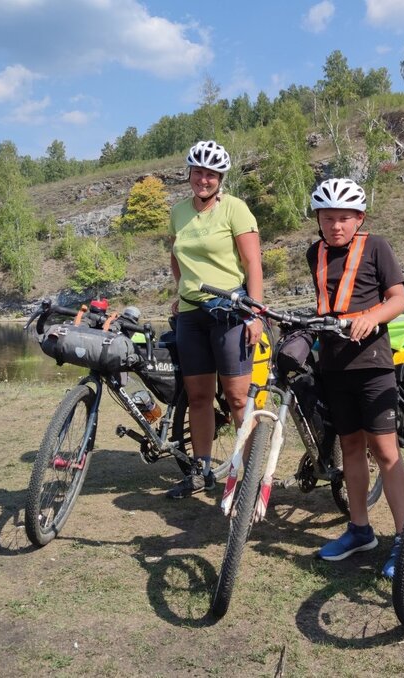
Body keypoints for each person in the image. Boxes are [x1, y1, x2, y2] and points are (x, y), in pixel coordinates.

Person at [306, 178, 404, 579]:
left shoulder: (377, 246)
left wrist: (372, 317)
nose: (335, 225)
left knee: (385, 451)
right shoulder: (312, 252)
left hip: (373, 364)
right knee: (349, 447)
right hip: (333, 366)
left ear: (359, 218)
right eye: (328, 218)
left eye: (344, 218)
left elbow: (398, 298)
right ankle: (359, 529)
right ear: (318, 219)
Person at [166, 140, 264, 499]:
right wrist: (180, 292)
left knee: (239, 398)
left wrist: (254, 312)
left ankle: (247, 474)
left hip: (230, 312)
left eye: (210, 174)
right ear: (189, 173)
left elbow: (253, 263)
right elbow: (176, 255)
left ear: (220, 178)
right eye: (197, 172)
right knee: (199, 396)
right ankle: (201, 470)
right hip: (192, 314)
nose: (203, 179)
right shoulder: (178, 212)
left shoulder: (235, 209)